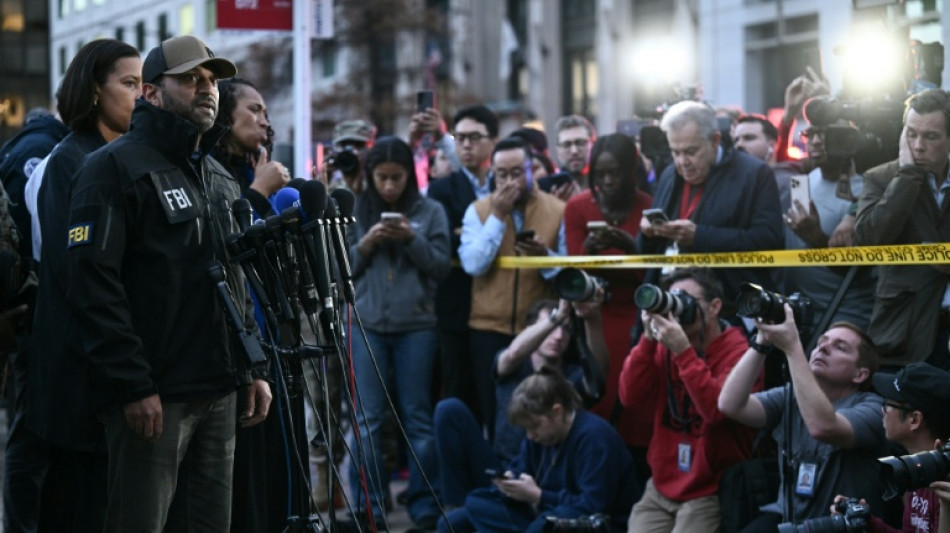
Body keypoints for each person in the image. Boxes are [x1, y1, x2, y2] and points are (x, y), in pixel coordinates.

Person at [65, 35, 272, 531]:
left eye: (212, 80)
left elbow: (236, 281)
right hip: (155, 399)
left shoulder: (219, 177)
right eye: (190, 79)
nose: (207, 90)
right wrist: (132, 384)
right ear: (152, 93)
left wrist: (251, 368)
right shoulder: (110, 168)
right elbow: (92, 286)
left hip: (220, 391)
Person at [21, 38, 141, 533]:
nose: (141, 95)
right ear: (94, 90)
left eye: (145, 84)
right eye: (129, 83)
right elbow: (77, 272)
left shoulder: (125, 155)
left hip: (111, 362)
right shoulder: (71, 159)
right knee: (76, 505)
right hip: (78, 366)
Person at [347, 136, 450, 531]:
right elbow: (341, 268)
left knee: (417, 419)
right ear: (371, 177)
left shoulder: (431, 211)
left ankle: (424, 507)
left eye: (397, 178)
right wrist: (368, 243)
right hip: (367, 325)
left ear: (410, 175)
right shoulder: (355, 210)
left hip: (418, 328)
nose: (390, 186)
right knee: (368, 420)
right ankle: (369, 507)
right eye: (382, 178)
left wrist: (412, 239)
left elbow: (441, 267)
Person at [718, 307, 898, 529]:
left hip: (840, 527)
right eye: (822, 342)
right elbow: (730, 404)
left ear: (859, 374)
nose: (823, 347)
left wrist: (793, 347)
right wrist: (761, 341)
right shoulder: (791, 396)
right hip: (789, 522)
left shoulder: (874, 408)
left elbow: (823, 427)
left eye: (839, 347)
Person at [434, 296, 608, 508]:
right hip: (500, 466)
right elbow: (514, 352)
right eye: (551, 327)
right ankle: (454, 508)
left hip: (545, 478)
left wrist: (592, 318)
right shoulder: (513, 366)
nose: (559, 335)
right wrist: (558, 316)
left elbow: (599, 374)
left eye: (566, 329)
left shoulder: (572, 376)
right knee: (449, 410)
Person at [620, 268, 759, 532]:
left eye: (685, 301)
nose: (677, 310)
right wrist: (648, 340)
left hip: (710, 489)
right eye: (672, 300)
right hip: (661, 484)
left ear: (715, 306)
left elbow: (716, 412)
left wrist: (683, 351)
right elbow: (630, 397)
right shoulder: (665, 344)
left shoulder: (739, 352)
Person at [438, 368, 639, 533]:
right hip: (541, 511)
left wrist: (539, 496)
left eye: (534, 426)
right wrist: (510, 481)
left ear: (557, 412)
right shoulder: (539, 435)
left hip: (588, 523)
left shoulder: (595, 438)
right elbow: (522, 467)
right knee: (464, 512)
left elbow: (593, 506)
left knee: (540, 527)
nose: (531, 435)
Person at [638, 100, 783, 325]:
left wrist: (700, 236)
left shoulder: (754, 173)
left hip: (731, 310)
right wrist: (647, 234)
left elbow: (768, 240)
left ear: (715, 140)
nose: (682, 162)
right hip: (670, 305)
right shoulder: (670, 174)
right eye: (675, 152)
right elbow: (647, 253)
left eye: (690, 151)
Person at [459, 136, 566, 441]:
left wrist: (542, 257)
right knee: (496, 415)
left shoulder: (557, 209)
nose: (509, 181)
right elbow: (474, 264)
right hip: (488, 327)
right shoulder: (478, 211)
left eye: (517, 172)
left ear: (532, 169)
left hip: (536, 328)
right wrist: (497, 216)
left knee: (538, 412)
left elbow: (566, 271)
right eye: (501, 174)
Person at [563, 133, 654, 484]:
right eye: (599, 174)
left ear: (632, 171)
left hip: (639, 316)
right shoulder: (578, 208)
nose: (606, 182)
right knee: (601, 399)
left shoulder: (649, 206)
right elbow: (576, 275)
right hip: (597, 318)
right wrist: (589, 248)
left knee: (637, 402)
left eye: (614, 173)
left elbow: (651, 273)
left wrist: (627, 245)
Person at [855, 88, 950, 369]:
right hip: (903, 333)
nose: (918, 145)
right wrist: (907, 177)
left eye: (930, 136)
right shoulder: (880, 178)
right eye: (911, 133)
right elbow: (868, 241)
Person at [427, 104, 498, 422]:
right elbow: (444, 239)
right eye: (460, 138)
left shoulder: (504, 184)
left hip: (497, 307)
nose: (466, 145)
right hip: (455, 308)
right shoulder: (441, 188)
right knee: (458, 397)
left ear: (492, 141)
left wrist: (465, 231)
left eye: (474, 137)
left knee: (494, 395)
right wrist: (485, 233)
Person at [829, 362, 950, 532]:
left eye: (888, 403)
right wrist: (867, 523)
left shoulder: (944, 482)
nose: (882, 410)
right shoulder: (918, 472)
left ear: (914, 420)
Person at [211, 78, 289, 219]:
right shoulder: (201, 170)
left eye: (265, 115)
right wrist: (260, 191)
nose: (264, 122)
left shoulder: (255, 172)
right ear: (224, 113)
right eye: (254, 110)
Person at [325, 119, 377, 195]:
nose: (350, 150)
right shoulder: (334, 180)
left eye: (358, 145)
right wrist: (324, 180)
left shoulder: (378, 179)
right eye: (344, 145)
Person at [552, 114, 596, 200]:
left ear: (592, 145)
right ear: (557, 150)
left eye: (580, 143)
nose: (574, 151)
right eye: (566, 145)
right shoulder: (547, 191)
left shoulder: (604, 186)